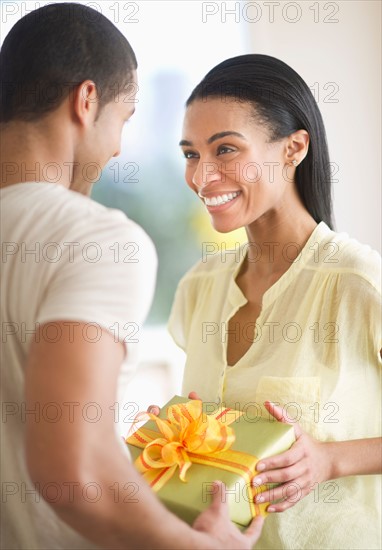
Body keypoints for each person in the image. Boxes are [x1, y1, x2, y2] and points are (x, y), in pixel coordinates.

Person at [0, 5, 264, 549]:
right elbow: (73, 475)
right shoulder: (97, 240)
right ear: (86, 100)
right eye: (124, 118)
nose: (118, 146)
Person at [168, 54, 382, 549]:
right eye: (190, 154)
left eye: (225, 149)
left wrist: (330, 459)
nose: (202, 176)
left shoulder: (357, 283)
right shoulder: (197, 288)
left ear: (293, 148)